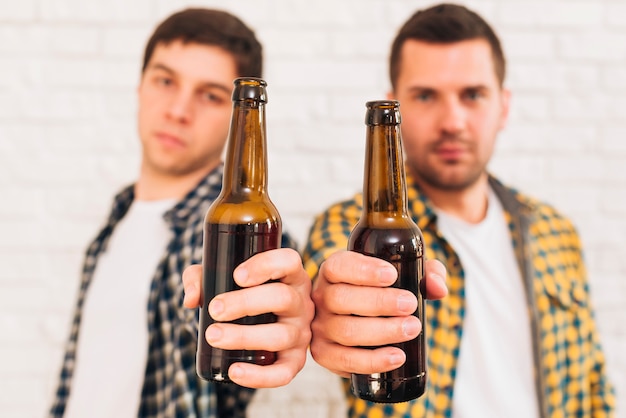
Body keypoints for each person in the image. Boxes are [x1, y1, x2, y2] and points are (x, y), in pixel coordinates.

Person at [301, 3, 615, 418]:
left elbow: (592, 384)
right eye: (426, 95)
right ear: (395, 108)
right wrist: (325, 313)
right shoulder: (351, 227)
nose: (452, 121)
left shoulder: (555, 231)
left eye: (473, 95)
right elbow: (325, 285)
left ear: (503, 106)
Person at [48, 8, 314, 418]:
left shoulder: (235, 230)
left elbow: (208, 315)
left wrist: (276, 319)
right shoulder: (117, 218)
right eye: (165, 81)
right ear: (140, 86)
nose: (178, 109)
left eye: (209, 95)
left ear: (237, 117)